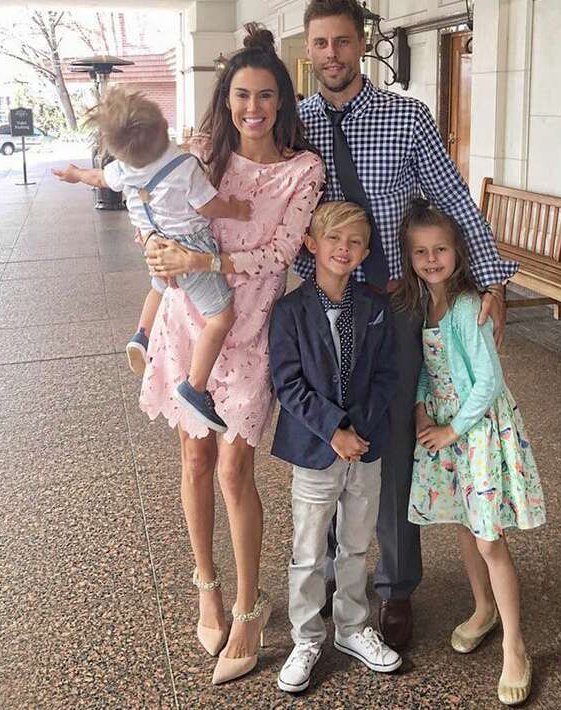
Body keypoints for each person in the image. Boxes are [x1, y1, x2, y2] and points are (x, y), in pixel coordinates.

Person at [296, 0, 518, 648]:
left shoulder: (406, 116)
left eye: (342, 41)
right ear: (308, 49)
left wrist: (493, 280)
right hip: (326, 305)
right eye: (321, 43)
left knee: (395, 445)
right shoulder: (296, 124)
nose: (332, 54)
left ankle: (395, 587)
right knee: (328, 437)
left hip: (393, 304)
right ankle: (333, 574)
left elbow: (452, 199)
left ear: (362, 44)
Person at [142, 24, 325, 685]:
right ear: (226, 99)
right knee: (194, 459)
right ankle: (208, 586)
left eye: (266, 96)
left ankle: (250, 606)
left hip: (250, 333)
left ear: (282, 101)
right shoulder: (199, 156)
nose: (254, 108)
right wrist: (158, 249)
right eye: (242, 95)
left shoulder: (303, 170)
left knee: (233, 469)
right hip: (186, 326)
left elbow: (280, 254)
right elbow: (159, 216)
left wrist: (204, 260)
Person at [401, 199, 545, 705]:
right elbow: (427, 369)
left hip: (475, 430)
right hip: (446, 427)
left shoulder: (467, 307)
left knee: (489, 539)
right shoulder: (425, 304)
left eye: (440, 249)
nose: (431, 259)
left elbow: (488, 381)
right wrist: (421, 410)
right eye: (421, 251)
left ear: (458, 252)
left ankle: (514, 645)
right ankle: (483, 608)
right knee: (465, 524)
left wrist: (452, 430)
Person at [53, 87, 252, 432]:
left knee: (158, 287)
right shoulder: (184, 166)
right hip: (189, 248)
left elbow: (98, 178)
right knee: (221, 317)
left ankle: (142, 334)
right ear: (164, 124)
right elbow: (208, 206)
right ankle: (195, 386)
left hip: (155, 242)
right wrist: (235, 209)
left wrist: (75, 174)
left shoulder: (122, 169)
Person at [269, 201, 401, 693]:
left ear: (365, 252)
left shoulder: (375, 307)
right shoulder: (290, 311)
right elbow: (288, 383)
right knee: (308, 551)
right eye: (334, 239)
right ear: (311, 244)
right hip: (316, 448)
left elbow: (388, 374)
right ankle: (306, 637)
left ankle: (351, 627)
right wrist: (334, 430)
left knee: (356, 543)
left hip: (365, 446)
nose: (344, 249)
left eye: (355, 242)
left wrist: (357, 431)